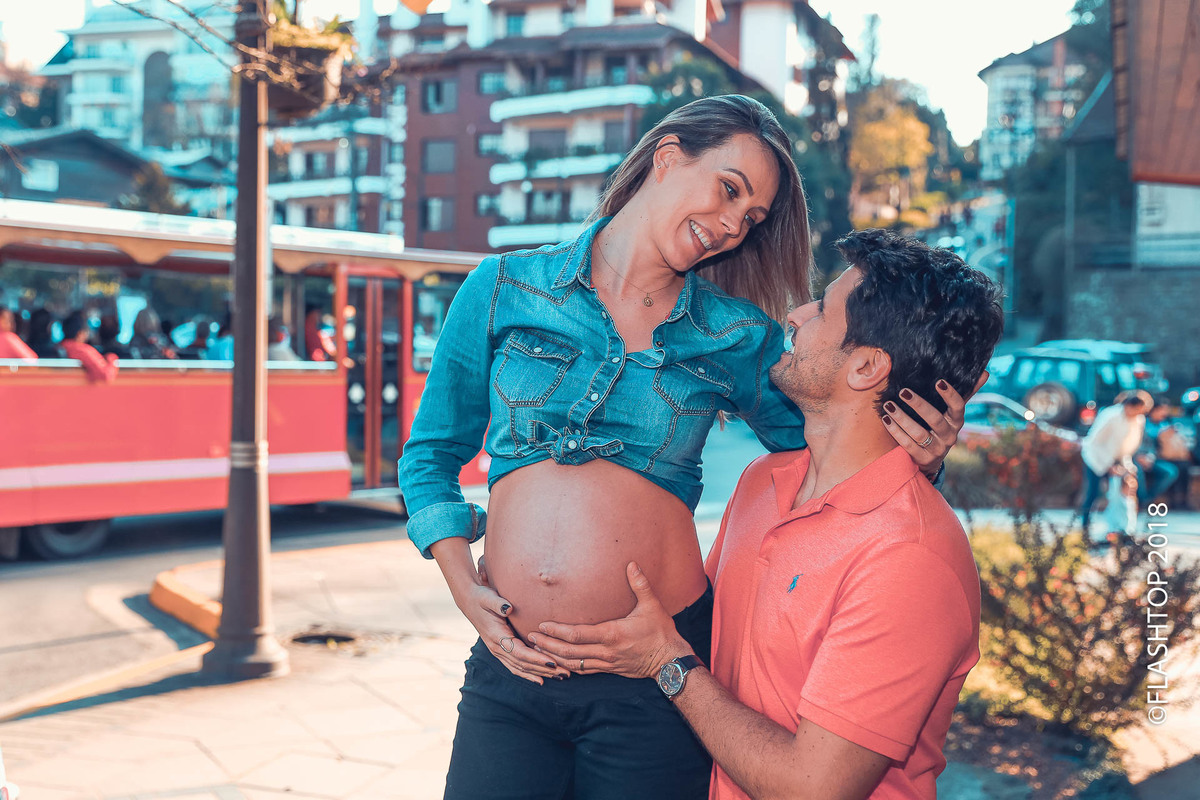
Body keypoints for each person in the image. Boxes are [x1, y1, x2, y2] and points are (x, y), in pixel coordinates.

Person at [396, 95, 978, 799]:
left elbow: (839, 442)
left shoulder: (738, 336)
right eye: (730, 190)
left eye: (752, 218)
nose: (734, 225)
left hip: (650, 684)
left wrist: (923, 456)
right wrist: (462, 581)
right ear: (668, 156)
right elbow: (429, 454)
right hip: (511, 667)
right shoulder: (502, 288)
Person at [532, 229, 1005, 799]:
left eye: (822, 308)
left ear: (866, 368)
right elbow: (701, 627)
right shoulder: (764, 482)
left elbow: (811, 789)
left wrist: (666, 661)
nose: (795, 315)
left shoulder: (909, 560)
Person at [1078, 391, 1153, 534]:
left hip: (1117, 460)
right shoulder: (1111, 416)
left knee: (1120, 494)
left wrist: (1127, 466)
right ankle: (1084, 527)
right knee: (1092, 493)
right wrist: (1108, 466)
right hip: (1096, 457)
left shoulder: (1138, 420)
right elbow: (1095, 442)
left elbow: (1127, 447)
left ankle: (1118, 528)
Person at [60, 311, 119, 383]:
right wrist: (112, 358)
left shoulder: (60, 347)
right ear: (80, 333)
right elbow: (105, 375)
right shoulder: (82, 350)